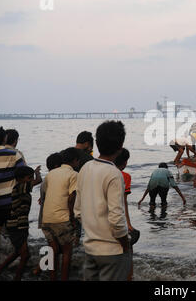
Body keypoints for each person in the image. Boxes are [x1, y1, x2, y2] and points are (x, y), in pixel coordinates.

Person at [74, 120, 131, 281]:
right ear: (120, 148)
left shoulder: (85, 168)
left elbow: (78, 211)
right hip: (112, 250)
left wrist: (93, 231)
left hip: (90, 247)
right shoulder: (114, 173)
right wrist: (125, 244)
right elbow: (116, 218)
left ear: (97, 143)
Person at [0, 166, 40, 280]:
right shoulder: (21, 187)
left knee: (18, 252)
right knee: (25, 255)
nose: (31, 180)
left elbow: (36, 182)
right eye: (29, 178)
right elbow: (38, 181)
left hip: (18, 225)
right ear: (20, 179)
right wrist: (37, 173)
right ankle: (16, 278)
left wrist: (35, 174)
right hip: (17, 226)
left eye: (31, 177)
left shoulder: (21, 186)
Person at [41, 147, 79, 281]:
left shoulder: (50, 174)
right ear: (75, 161)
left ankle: (52, 278)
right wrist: (72, 218)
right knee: (67, 252)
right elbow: (71, 197)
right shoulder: (73, 174)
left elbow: (44, 195)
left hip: (46, 219)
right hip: (61, 218)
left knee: (52, 251)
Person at [33, 152, 63, 276]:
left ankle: (50, 274)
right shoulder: (56, 179)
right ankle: (41, 268)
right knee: (55, 249)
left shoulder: (47, 179)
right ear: (57, 166)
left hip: (45, 219)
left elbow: (43, 198)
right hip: (52, 218)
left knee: (54, 248)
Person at [114, 148, 140, 281]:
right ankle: (129, 277)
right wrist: (128, 224)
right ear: (124, 162)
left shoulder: (103, 173)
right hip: (118, 219)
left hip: (100, 221)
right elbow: (123, 202)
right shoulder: (125, 176)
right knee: (128, 250)